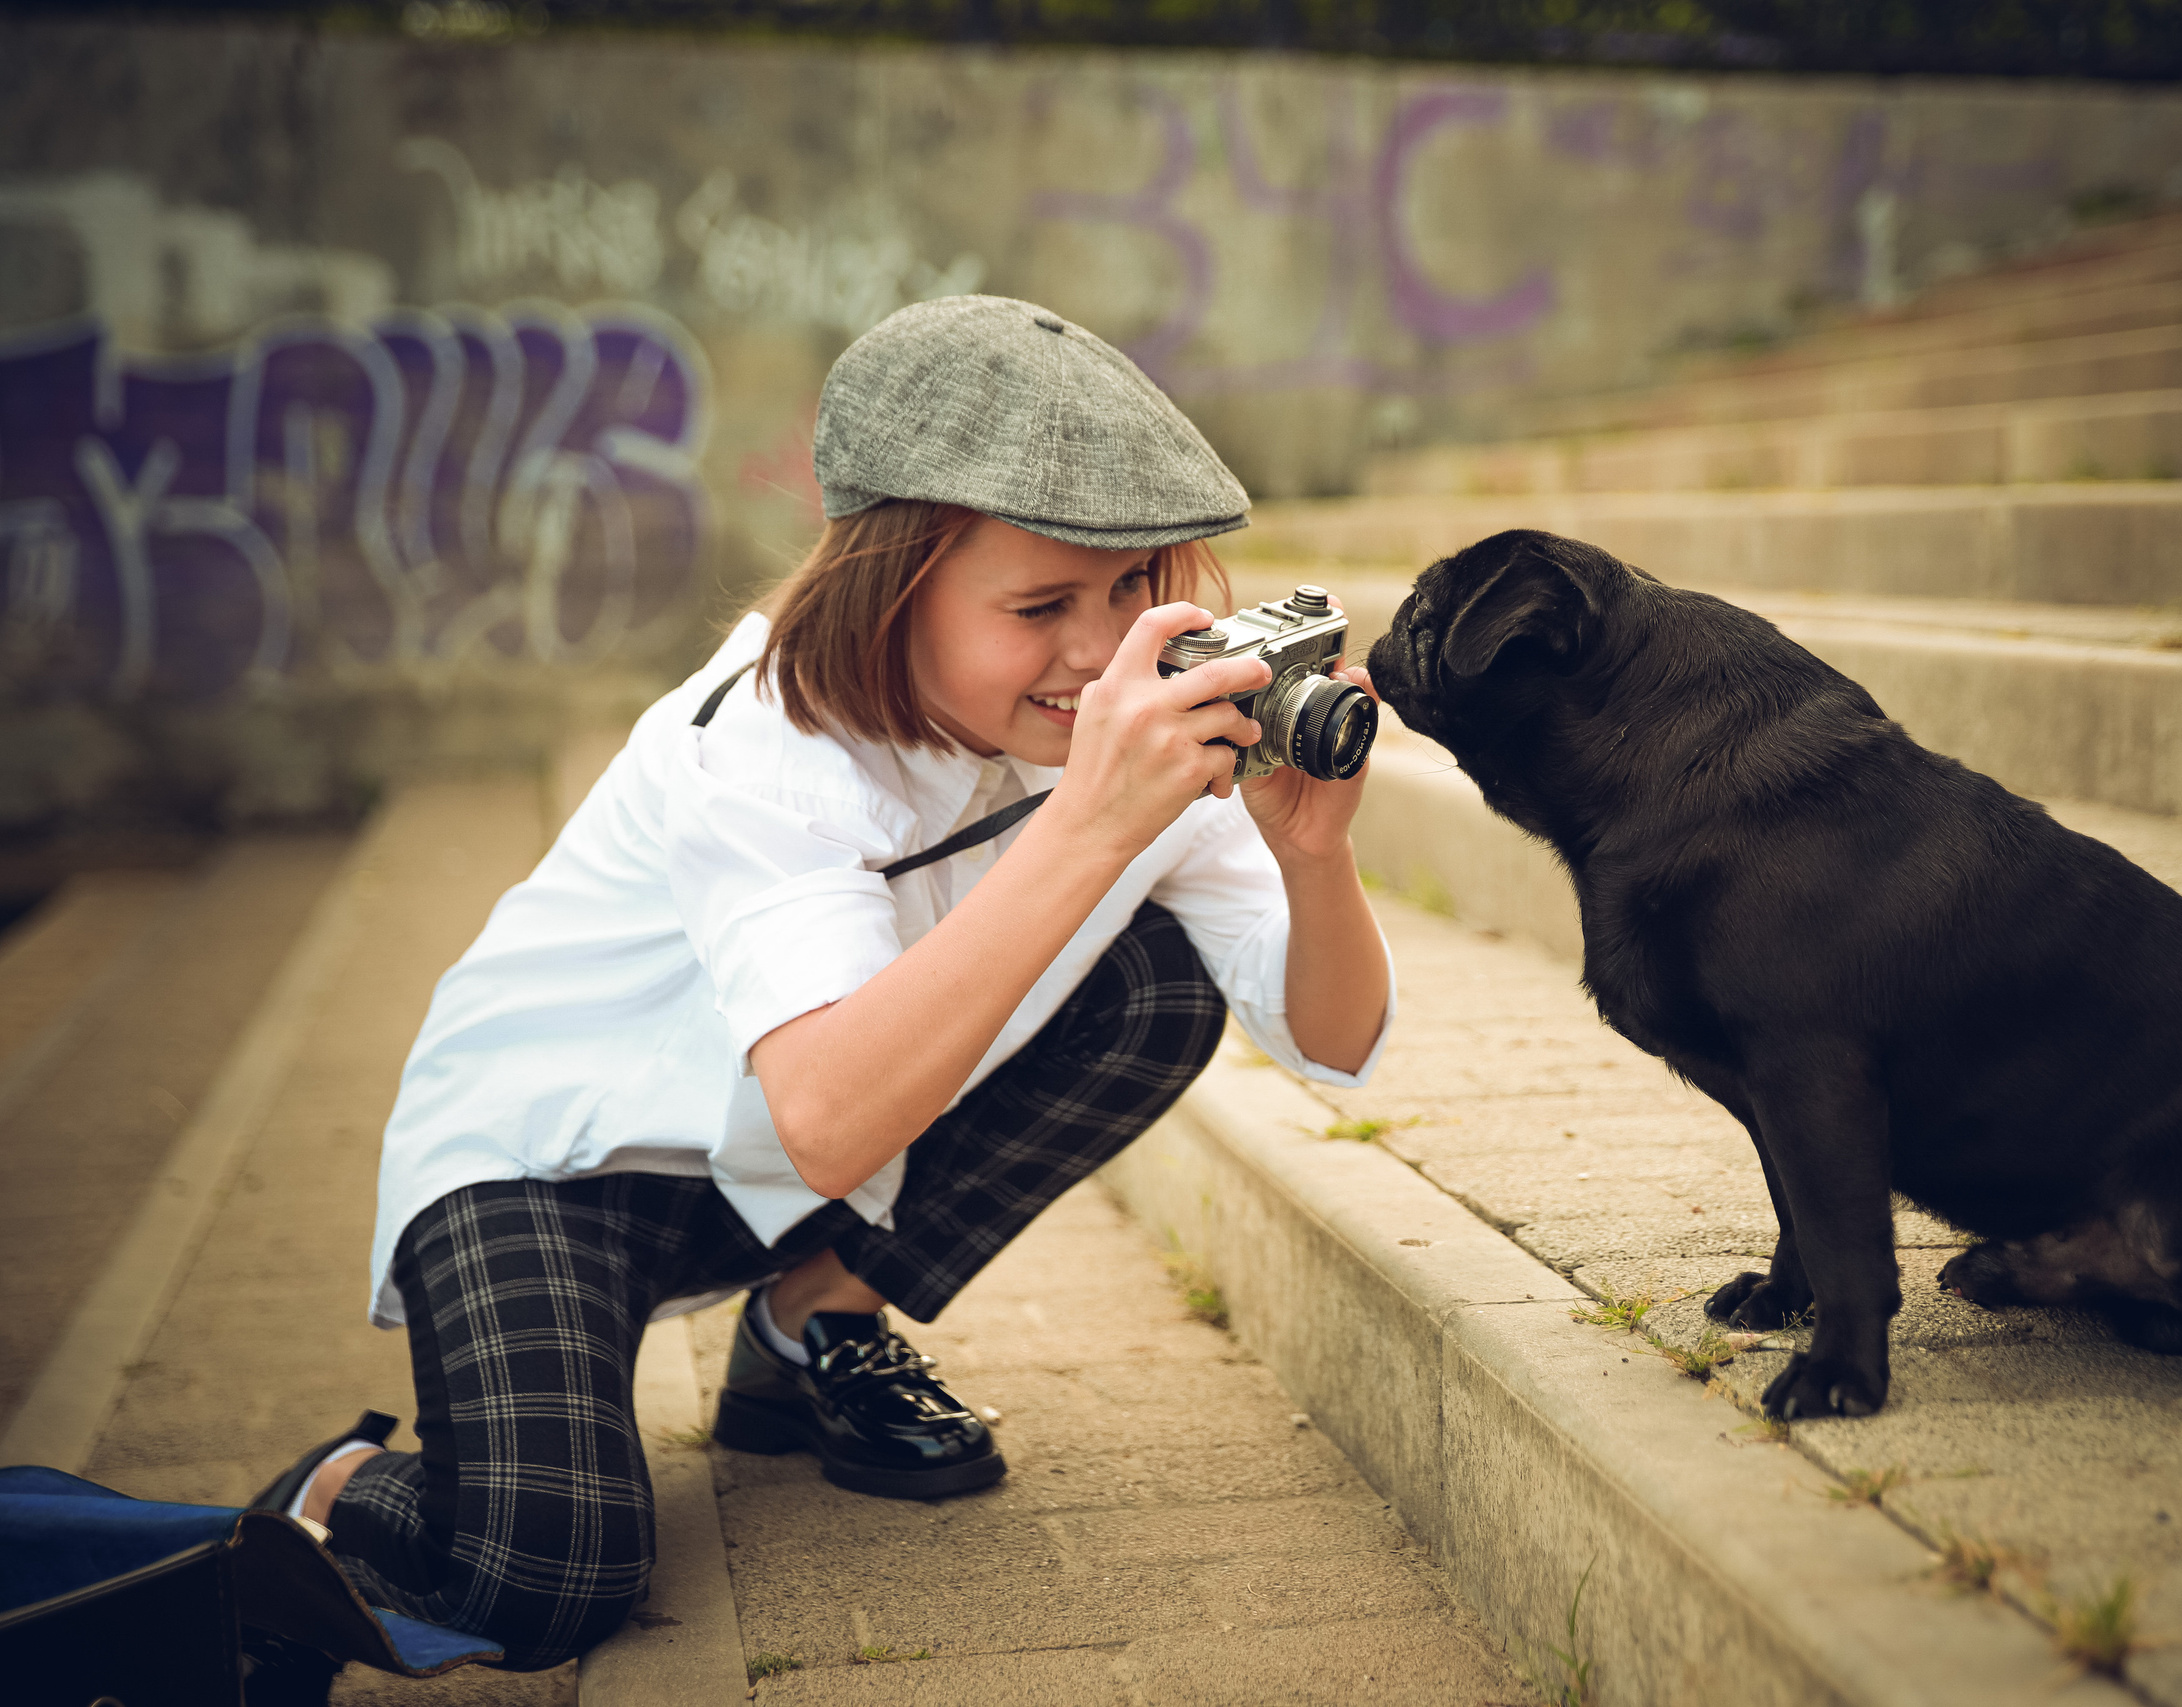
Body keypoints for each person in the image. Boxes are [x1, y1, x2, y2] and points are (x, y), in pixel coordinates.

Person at [247, 296, 1394, 1673]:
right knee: (542, 1578)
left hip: (779, 1184)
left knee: (1160, 982)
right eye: (1039, 606)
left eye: (1135, 587)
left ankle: (812, 1325)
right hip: (551, 1168)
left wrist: (1313, 858)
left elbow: (1333, 1042)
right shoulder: (762, 742)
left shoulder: (1128, 717)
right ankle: (335, 1493)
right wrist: (1092, 827)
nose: (1099, 652)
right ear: (891, 584)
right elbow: (831, 1123)